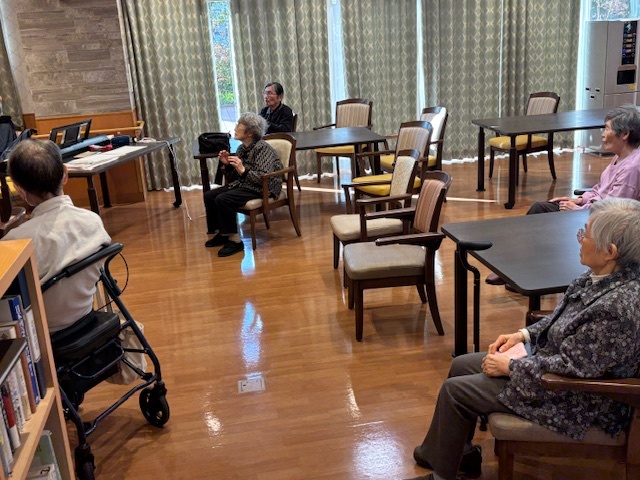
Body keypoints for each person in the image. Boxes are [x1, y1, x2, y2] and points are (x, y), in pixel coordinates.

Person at [408, 197, 640, 480]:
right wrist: (523, 334)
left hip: (580, 400)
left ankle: (442, 475)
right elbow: (561, 319)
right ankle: (459, 455)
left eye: (585, 234)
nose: (579, 239)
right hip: (552, 370)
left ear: (610, 252)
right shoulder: (600, 276)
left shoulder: (616, 308)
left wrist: (511, 367)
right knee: (461, 365)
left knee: (456, 392)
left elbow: (576, 369)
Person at [487, 103, 640, 285]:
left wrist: (577, 209)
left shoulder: (631, 168)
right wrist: (580, 199)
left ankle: (521, 271)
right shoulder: (619, 157)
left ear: (625, 134)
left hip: (603, 222)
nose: (603, 133)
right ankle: (518, 269)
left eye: (607, 128)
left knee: (543, 214)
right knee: (540, 208)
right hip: (591, 209)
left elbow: (613, 212)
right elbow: (600, 189)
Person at [1, 139, 111, 332]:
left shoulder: (16, 242)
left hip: (40, 334)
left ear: (19, 189)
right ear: (65, 174)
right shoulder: (92, 220)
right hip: (85, 318)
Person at [204, 112, 282, 256]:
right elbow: (234, 177)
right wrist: (227, 165)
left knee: (223, 199)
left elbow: (262, 178)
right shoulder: (241, 149)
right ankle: (224, 233)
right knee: (210, 195)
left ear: (250, 133)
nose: (235, 128)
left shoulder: (263, 149)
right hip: (246, 184)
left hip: (263, 187)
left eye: (239, 125)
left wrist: (243, 170)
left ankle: (235, 241)